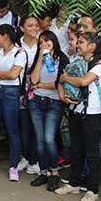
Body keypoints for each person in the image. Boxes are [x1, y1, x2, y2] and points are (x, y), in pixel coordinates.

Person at [56, 32, 101, 201]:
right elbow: (61, 81)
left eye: (82, 42)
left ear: (92, 46)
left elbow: (84, 82)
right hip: (74, 109)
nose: (78, 45)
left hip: (92, 113)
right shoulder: (77, 61)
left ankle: (93, 189)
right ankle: (74, 182)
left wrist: (65, 78)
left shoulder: (100, 64)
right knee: (76, 148)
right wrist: (62, 93)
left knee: (92, 151)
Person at [27, 30, 69, 191]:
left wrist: (38, 86)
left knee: (49, 139)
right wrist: (40, 57)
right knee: (39, 140)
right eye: (41, 42)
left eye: (47, 41)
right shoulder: (40, 59)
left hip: (54, 102)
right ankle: (43, 172)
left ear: (54, 41)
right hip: (36, 102)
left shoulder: (62, 59)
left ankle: (55, 173)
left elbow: (59, 82)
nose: (44, 44)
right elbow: (33, 79)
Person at [0, 24, 27, 182]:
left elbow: (14, 75)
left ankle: (13, 166)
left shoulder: (20, 53)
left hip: (11, 93)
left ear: (6, 36)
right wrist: (0, 74)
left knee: (12, 131)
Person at [17, 16, 41, 175]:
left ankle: (35, 160)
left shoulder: (43, 43)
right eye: (30, 25)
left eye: (36, 25)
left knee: (36, 128)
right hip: (20, 91)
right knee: (23, 127)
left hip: (38, 89)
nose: (34, 28)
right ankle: (25, 156)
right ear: (22, 28)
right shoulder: (17, 44)